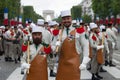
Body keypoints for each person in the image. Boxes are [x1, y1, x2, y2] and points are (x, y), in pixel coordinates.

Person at [56, 10, 90, 80]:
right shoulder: (59, 32)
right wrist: (56, 46)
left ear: (71, 18)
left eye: (68, 18)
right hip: (62, 63)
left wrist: (84, 61)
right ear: (62, 20)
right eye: (64, 19)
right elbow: (54, 50)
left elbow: (85, 45)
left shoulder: (78, 30)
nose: (66, 21)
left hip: (75, 63)